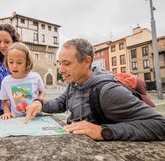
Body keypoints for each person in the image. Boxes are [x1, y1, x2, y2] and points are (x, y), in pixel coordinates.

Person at [25, 38, 165, 141]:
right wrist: (40, 103)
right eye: (59, 64)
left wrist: (103, 131)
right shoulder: (75, 83)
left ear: (86, 61)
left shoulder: (108, 91)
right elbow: (60, 103)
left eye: (66, 64)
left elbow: (160, 125)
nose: (60, 70)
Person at [0, 42, 45, 119]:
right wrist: (7, 112)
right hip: (16, 119)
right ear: (6, 62)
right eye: (11, 62)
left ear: (27, 62)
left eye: (19, 62)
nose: (14, 66)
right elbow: (4, 100)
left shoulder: (35, 77)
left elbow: (42, 91)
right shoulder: (6, 81)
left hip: (35, 117)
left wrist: (39, 100)